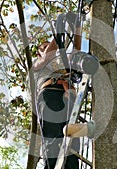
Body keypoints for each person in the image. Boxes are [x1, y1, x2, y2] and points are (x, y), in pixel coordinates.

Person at [32, 39, 80, 169]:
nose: (51, 48)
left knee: (72, 139)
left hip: (67, 96)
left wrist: (77, 27)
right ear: (38, 53)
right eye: (45, 47)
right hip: (50, 94)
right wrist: (58, 36)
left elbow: (76, 52)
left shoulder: (61, 65)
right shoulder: (37, 64)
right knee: (53, 138)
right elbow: (48, 56)